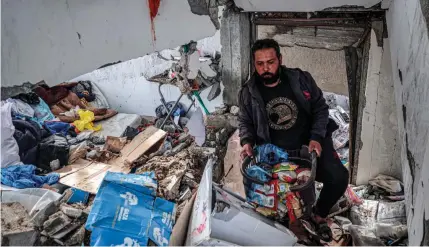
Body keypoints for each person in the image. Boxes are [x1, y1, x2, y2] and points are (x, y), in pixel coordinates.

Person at [238, 38, 349, 240]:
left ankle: (317, 215)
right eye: (260, 64)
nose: (266, 69)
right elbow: (245, 120)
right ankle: (285, 229)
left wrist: (316, 137)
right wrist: (246, 141)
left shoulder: (301, 79)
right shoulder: (248, 92)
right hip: (275, 154)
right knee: (276, 198)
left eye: (270, 62)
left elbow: (320, 108)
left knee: (339, 178)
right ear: (254, 65)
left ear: (280, 59)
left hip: (310, 145)